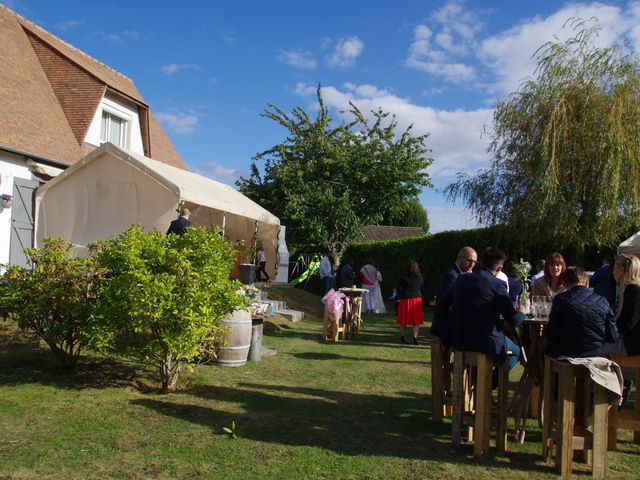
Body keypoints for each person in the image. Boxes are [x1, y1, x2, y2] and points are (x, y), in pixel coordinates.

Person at [447, 247, 524, 371]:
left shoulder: (461, 279)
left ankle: (479, 382)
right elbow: (514, 319)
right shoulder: (497, 284)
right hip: (485, 342)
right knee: (516, 351)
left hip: (459, 339)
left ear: (481, 263)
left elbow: (447, 301)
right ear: (499, 269)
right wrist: (522, 312)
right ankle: (491, 382)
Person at [546, 266, 618, 358]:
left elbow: (552, 332)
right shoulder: (602, 301)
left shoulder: (560, 300)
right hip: (596, 351)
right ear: (586, 282)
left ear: (564, 283)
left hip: (567, 351)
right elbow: (612, 335)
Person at [431, 246, 477, 344]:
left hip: (454, 324)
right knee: (444, 356)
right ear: (459, 258)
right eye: (469, 260)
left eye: (474, 262)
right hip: (446, 325)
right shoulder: (452, 275)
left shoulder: (464, 275)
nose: (472, 264)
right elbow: (449, 302)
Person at [600, 254, 640, 356]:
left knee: (594, 350)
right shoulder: (631, 289)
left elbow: (628, 323)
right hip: (632, 342)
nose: (612, 272)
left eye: (614, 269)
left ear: (621, 270)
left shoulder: (633, 290)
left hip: (633, 344)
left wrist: (609, 330)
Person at [396, 260, 424, 345]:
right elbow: (421, 285)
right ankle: (415, 337)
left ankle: (402, 336)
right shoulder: (420, 277)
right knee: (416, 320)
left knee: (403, 319)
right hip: (416, 299)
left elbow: (399, 287)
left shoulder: (403, 277)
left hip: (405, 299)